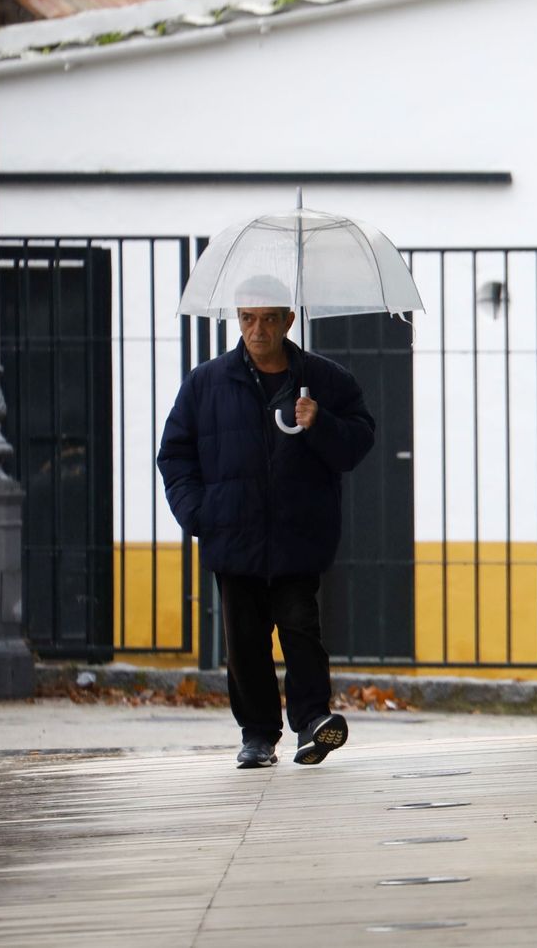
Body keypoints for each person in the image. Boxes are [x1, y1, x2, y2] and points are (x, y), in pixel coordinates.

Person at [158, 280, 375, 769]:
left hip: (299, 534)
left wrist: (321, 422)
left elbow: (357, 443)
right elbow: (175, 454)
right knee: (245, 640)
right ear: (238, 319)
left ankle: (312, 721)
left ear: (289, 321)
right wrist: (199, 514)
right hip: (232, 534)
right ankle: (257, 735)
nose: (258, 330)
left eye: (270, 319)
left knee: (301, 628)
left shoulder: (325, 380)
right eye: (248, 319)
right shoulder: (205, 384)